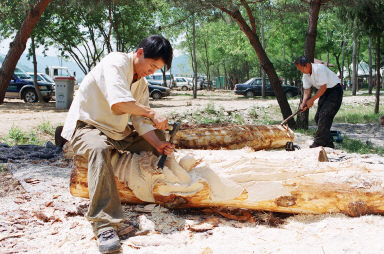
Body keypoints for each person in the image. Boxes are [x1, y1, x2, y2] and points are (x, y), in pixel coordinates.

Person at [61, 35, 174, 253]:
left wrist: (157, 145)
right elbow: (120, 103)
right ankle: (103, 224)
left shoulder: (141, 84)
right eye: (151, 66)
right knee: (100, 149)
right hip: (87, 126)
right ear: (139, 53)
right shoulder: (116, 62)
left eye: (156, 69)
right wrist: (152, 112)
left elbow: (140, 122)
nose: (151, 72)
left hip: (117, 131)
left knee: (159, 141)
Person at [294, 56, 343, 148]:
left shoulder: (319, 69)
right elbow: (307, 91)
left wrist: (312, 100)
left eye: (301, 69)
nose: (301, 71)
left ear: (307, 65)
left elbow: (323, 87)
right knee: (318, 118)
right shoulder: (305, 75)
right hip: (324, 92)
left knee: (324, 115)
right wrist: (303, 103)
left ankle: (319, 142)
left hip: (334, 91)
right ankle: (328, 143)